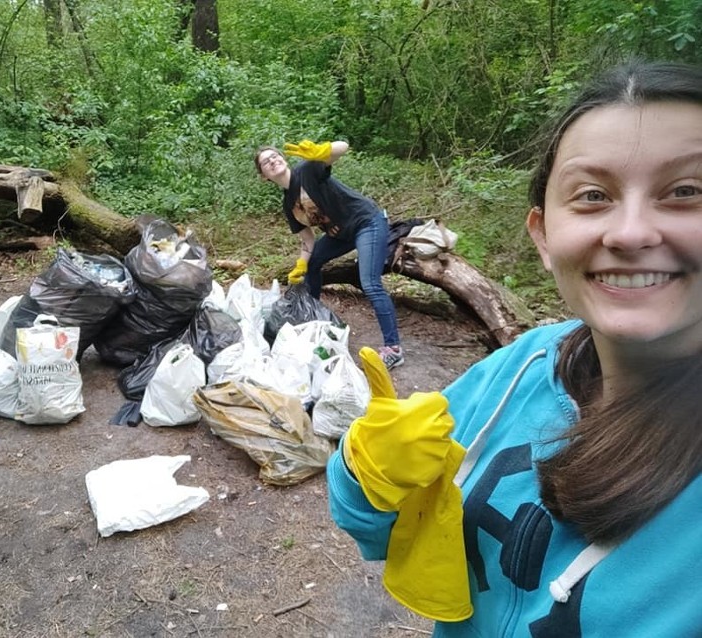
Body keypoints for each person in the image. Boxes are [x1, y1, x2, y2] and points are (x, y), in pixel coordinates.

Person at [327, 60, 702, 637]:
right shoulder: (523, 364)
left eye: (685, 191)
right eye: (593, 195)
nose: (630, 233)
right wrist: (365, 470)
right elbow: (383, 533)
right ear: (544, 236)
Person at [254, 140, 404, 369]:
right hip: (340, 234)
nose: (272, 161)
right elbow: (307, 240)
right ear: (263, 176)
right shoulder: (288, 204)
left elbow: (343, 147)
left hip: (367, 222)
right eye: (266, 161)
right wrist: (301, 265)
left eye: (274, 156)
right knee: (313, 262)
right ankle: (312, 320)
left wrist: (322, 151)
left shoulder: (307, 171)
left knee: (370, 283)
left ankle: (393, 349)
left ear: (283, 159)